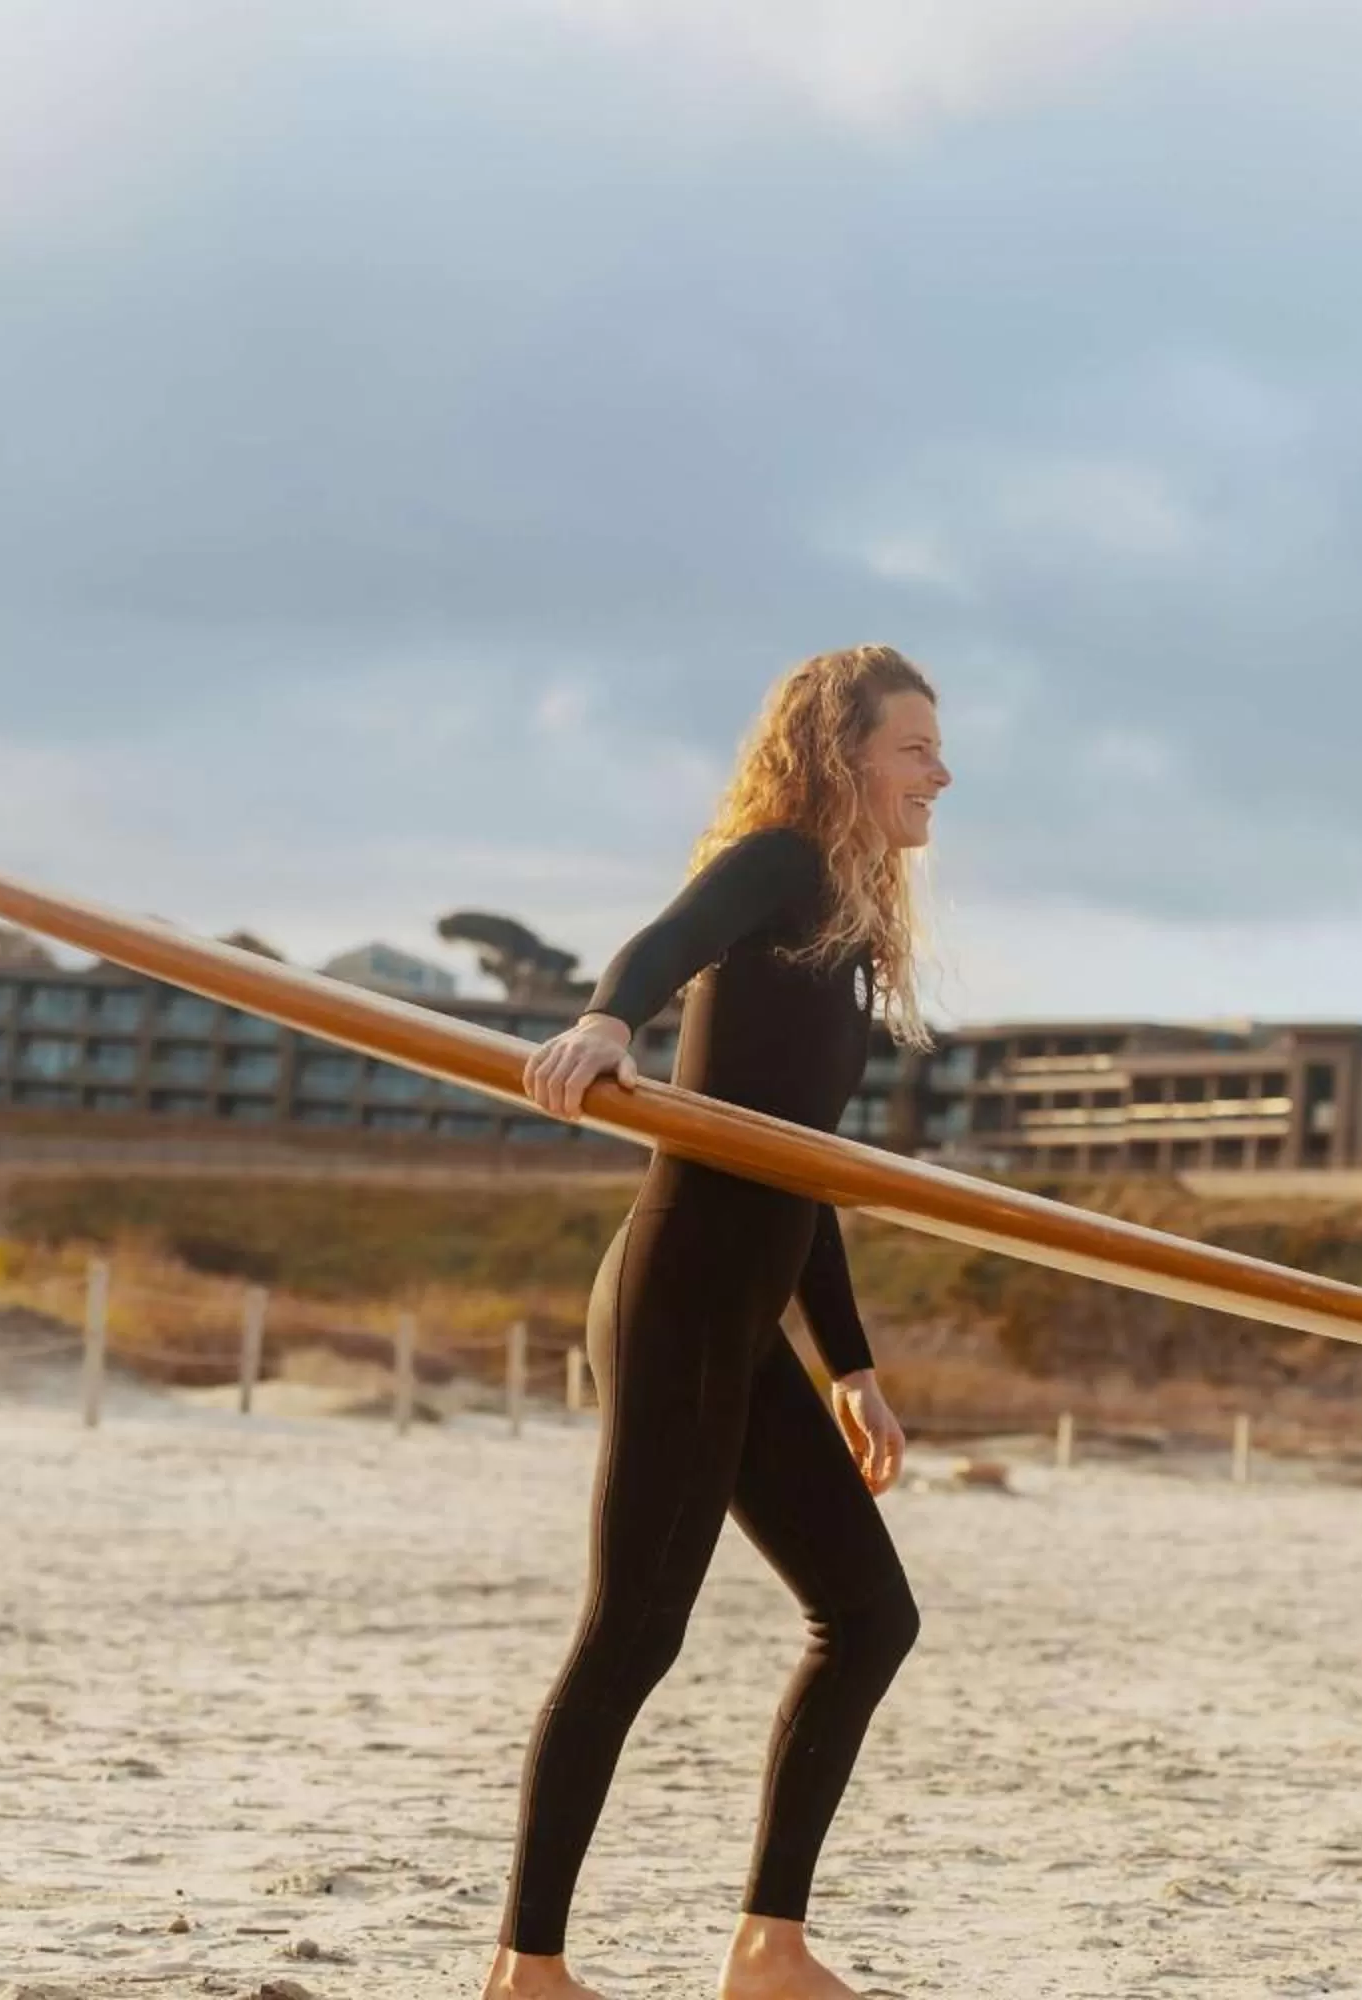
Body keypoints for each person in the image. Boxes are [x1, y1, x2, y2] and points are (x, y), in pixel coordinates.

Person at [484, 645, 951, 2000]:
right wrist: (607, 1020)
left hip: (749, 1314)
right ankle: (528, 1969)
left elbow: (804, 1170)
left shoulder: (853, 929)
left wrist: (849, 1368)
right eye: (916, 748)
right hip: (682, 1295)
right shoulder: (786, 860)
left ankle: (769, 1946)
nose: (941, 773)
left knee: (869, 1616)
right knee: (633, 1630)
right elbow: (668, 937)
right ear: (845, 755)